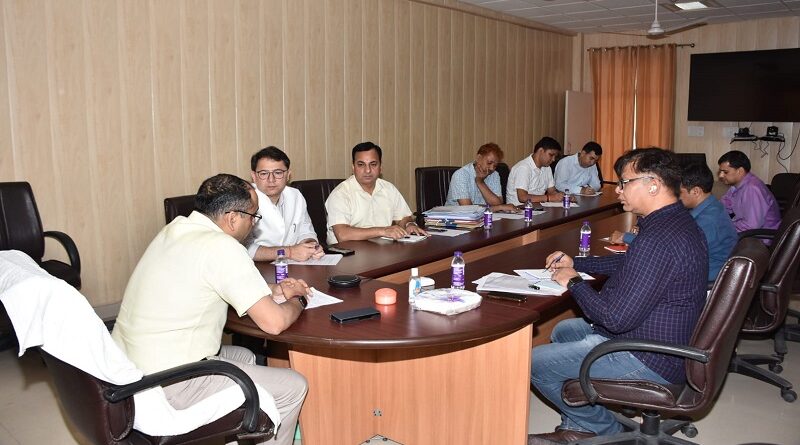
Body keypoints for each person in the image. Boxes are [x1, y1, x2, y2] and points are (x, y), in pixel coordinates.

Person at [112, 174, 311, 445]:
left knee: (244, 356)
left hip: (129, 370)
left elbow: (209, 279)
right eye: (253, 216)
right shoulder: (223, 247)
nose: (254, 224)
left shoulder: (176, 229)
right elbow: (274, 323)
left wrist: (274, 291)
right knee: (293, 386)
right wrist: (298, 300)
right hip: (168, 384)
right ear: (233, 218)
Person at [528, 148, 708, 444]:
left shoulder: (658, 239)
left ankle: (602, 428)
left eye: (625, 182)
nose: (618, 190)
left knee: (535, 363)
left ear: (653, 184)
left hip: (650, 357)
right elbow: (630, 263)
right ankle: (578, 424)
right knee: (563, 330)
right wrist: (577, 263)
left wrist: (574, 282)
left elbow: (615, 318)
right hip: (665, 340)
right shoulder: (675, 223)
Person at [610, 163, 737, 282]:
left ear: (696, 191)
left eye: (679, 192)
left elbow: (666, 250)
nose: (675, 196)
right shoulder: (711, 207)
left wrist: (626, 237)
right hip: (701, 271)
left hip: (705, 280)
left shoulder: (707, 221)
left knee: (636, 274)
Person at [325, 141, 427, 244]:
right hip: (347, 251)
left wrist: (409, 225)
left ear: (380, 167)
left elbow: (403, 217)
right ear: (353, 167)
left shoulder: (388, 188)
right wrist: (383, 231)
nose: (368, 170)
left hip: (381, 248)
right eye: (361, 165)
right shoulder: (340, 194)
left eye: (373, 164)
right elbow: (342, 235)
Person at [246, 146, 323, 262]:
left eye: (278, 173)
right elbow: (244, 248)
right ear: (254, 176)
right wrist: (290, 252)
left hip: (291, 264)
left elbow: (306, 231)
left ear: (288, 175)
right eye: (264, 173)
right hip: (257, 266)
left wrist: (311, 246)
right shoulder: (245, 200)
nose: (271, 179)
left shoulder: (295, 195)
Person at [717, 150, 781, 232]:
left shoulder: (752, 189)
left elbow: (751, 226)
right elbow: (724, 206)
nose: (721, 175)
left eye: (725, 172)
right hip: (746, 231)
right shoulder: (736, 186)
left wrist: (724, 228)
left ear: (740, 171)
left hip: (759, 236)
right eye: (720, 171)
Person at [444, 142, 516, 211]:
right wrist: (499, 208)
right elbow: (467, 209)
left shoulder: (494, 174)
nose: (492, 168)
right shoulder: (461, 175)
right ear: (478, 158)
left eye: (495, 166)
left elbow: (497, 203)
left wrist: (480, 182)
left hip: (483, 216)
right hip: (455, 217)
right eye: (489, 163)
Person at [506, 136, 565, 206]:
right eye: (551, 155)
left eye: (555, 156)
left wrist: (562, 196)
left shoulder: (547, 168)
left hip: (539, 208)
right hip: (519, 209)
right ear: (540, 151)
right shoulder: (523, 168)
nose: (553, 159)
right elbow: (522, 197)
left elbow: (551, 191)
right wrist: (549, 198)